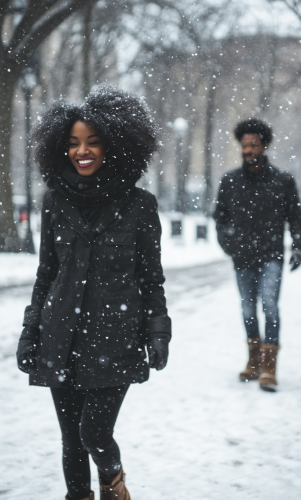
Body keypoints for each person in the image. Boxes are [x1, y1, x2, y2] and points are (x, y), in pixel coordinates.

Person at [16, 85, 171, 500]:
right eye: (72, 144)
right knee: (70, 440)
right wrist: (31, 331)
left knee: (94, 433)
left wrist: (158, 331)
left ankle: (113, 483)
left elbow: (151, 278)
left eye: (92, 142)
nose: (81, 151)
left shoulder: (139, 205)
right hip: (60, 335)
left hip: (115, 338)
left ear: (114, 145)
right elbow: (46, 274)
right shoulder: (54, 202)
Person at [213, 118, 301, 392]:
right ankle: (253, 362)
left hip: (271, 257)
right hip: (243, 258)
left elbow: (296, 217)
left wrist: (298, 246)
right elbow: (219, 218)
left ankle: (269, 367)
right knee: (247, 310)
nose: (248, 150)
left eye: (253, 145)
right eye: (244, 145)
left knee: (270, 306)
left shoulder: (283, 181)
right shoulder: (230, 181)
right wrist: (229, 245)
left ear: (264, 146)